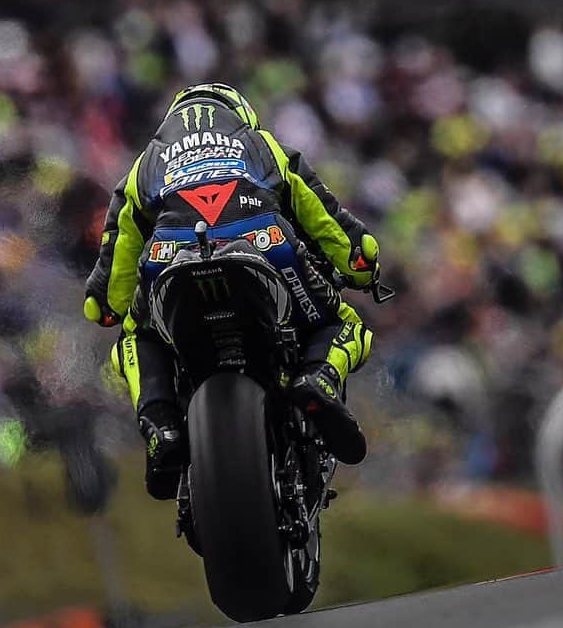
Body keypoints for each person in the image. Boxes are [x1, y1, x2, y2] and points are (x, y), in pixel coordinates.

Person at [83, 83, 379, 499]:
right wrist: (363, 267)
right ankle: (318, 379)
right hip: (264, 244)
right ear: (240, 114)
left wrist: (108, 309)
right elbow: (334, 227)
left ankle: (160, 424)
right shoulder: (264, 146)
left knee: (135, 337)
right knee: (342, 323)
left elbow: (109, 289)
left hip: (171, 258)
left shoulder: (144, 165)